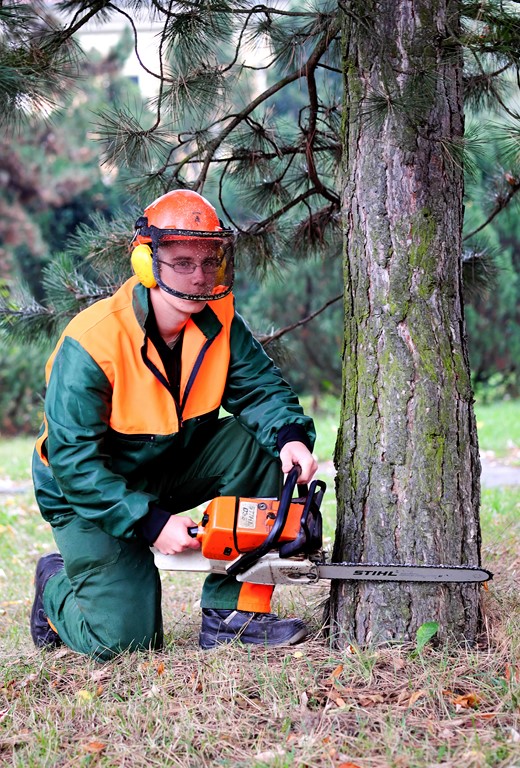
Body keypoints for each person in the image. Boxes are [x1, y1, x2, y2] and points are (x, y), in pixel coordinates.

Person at [30, 189, 318, 659]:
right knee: (125, 643)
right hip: (88, 493)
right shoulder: (92, 341)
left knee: (265, 445)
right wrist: (148, 520)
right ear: (146, 262)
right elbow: (73, 462)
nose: (200, 275)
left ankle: (233, 615)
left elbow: (261, 391)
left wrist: (290, 440)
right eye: (183, 261)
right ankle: (55, 588)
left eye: (209, 261)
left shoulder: (220, 320)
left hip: (170, 462)